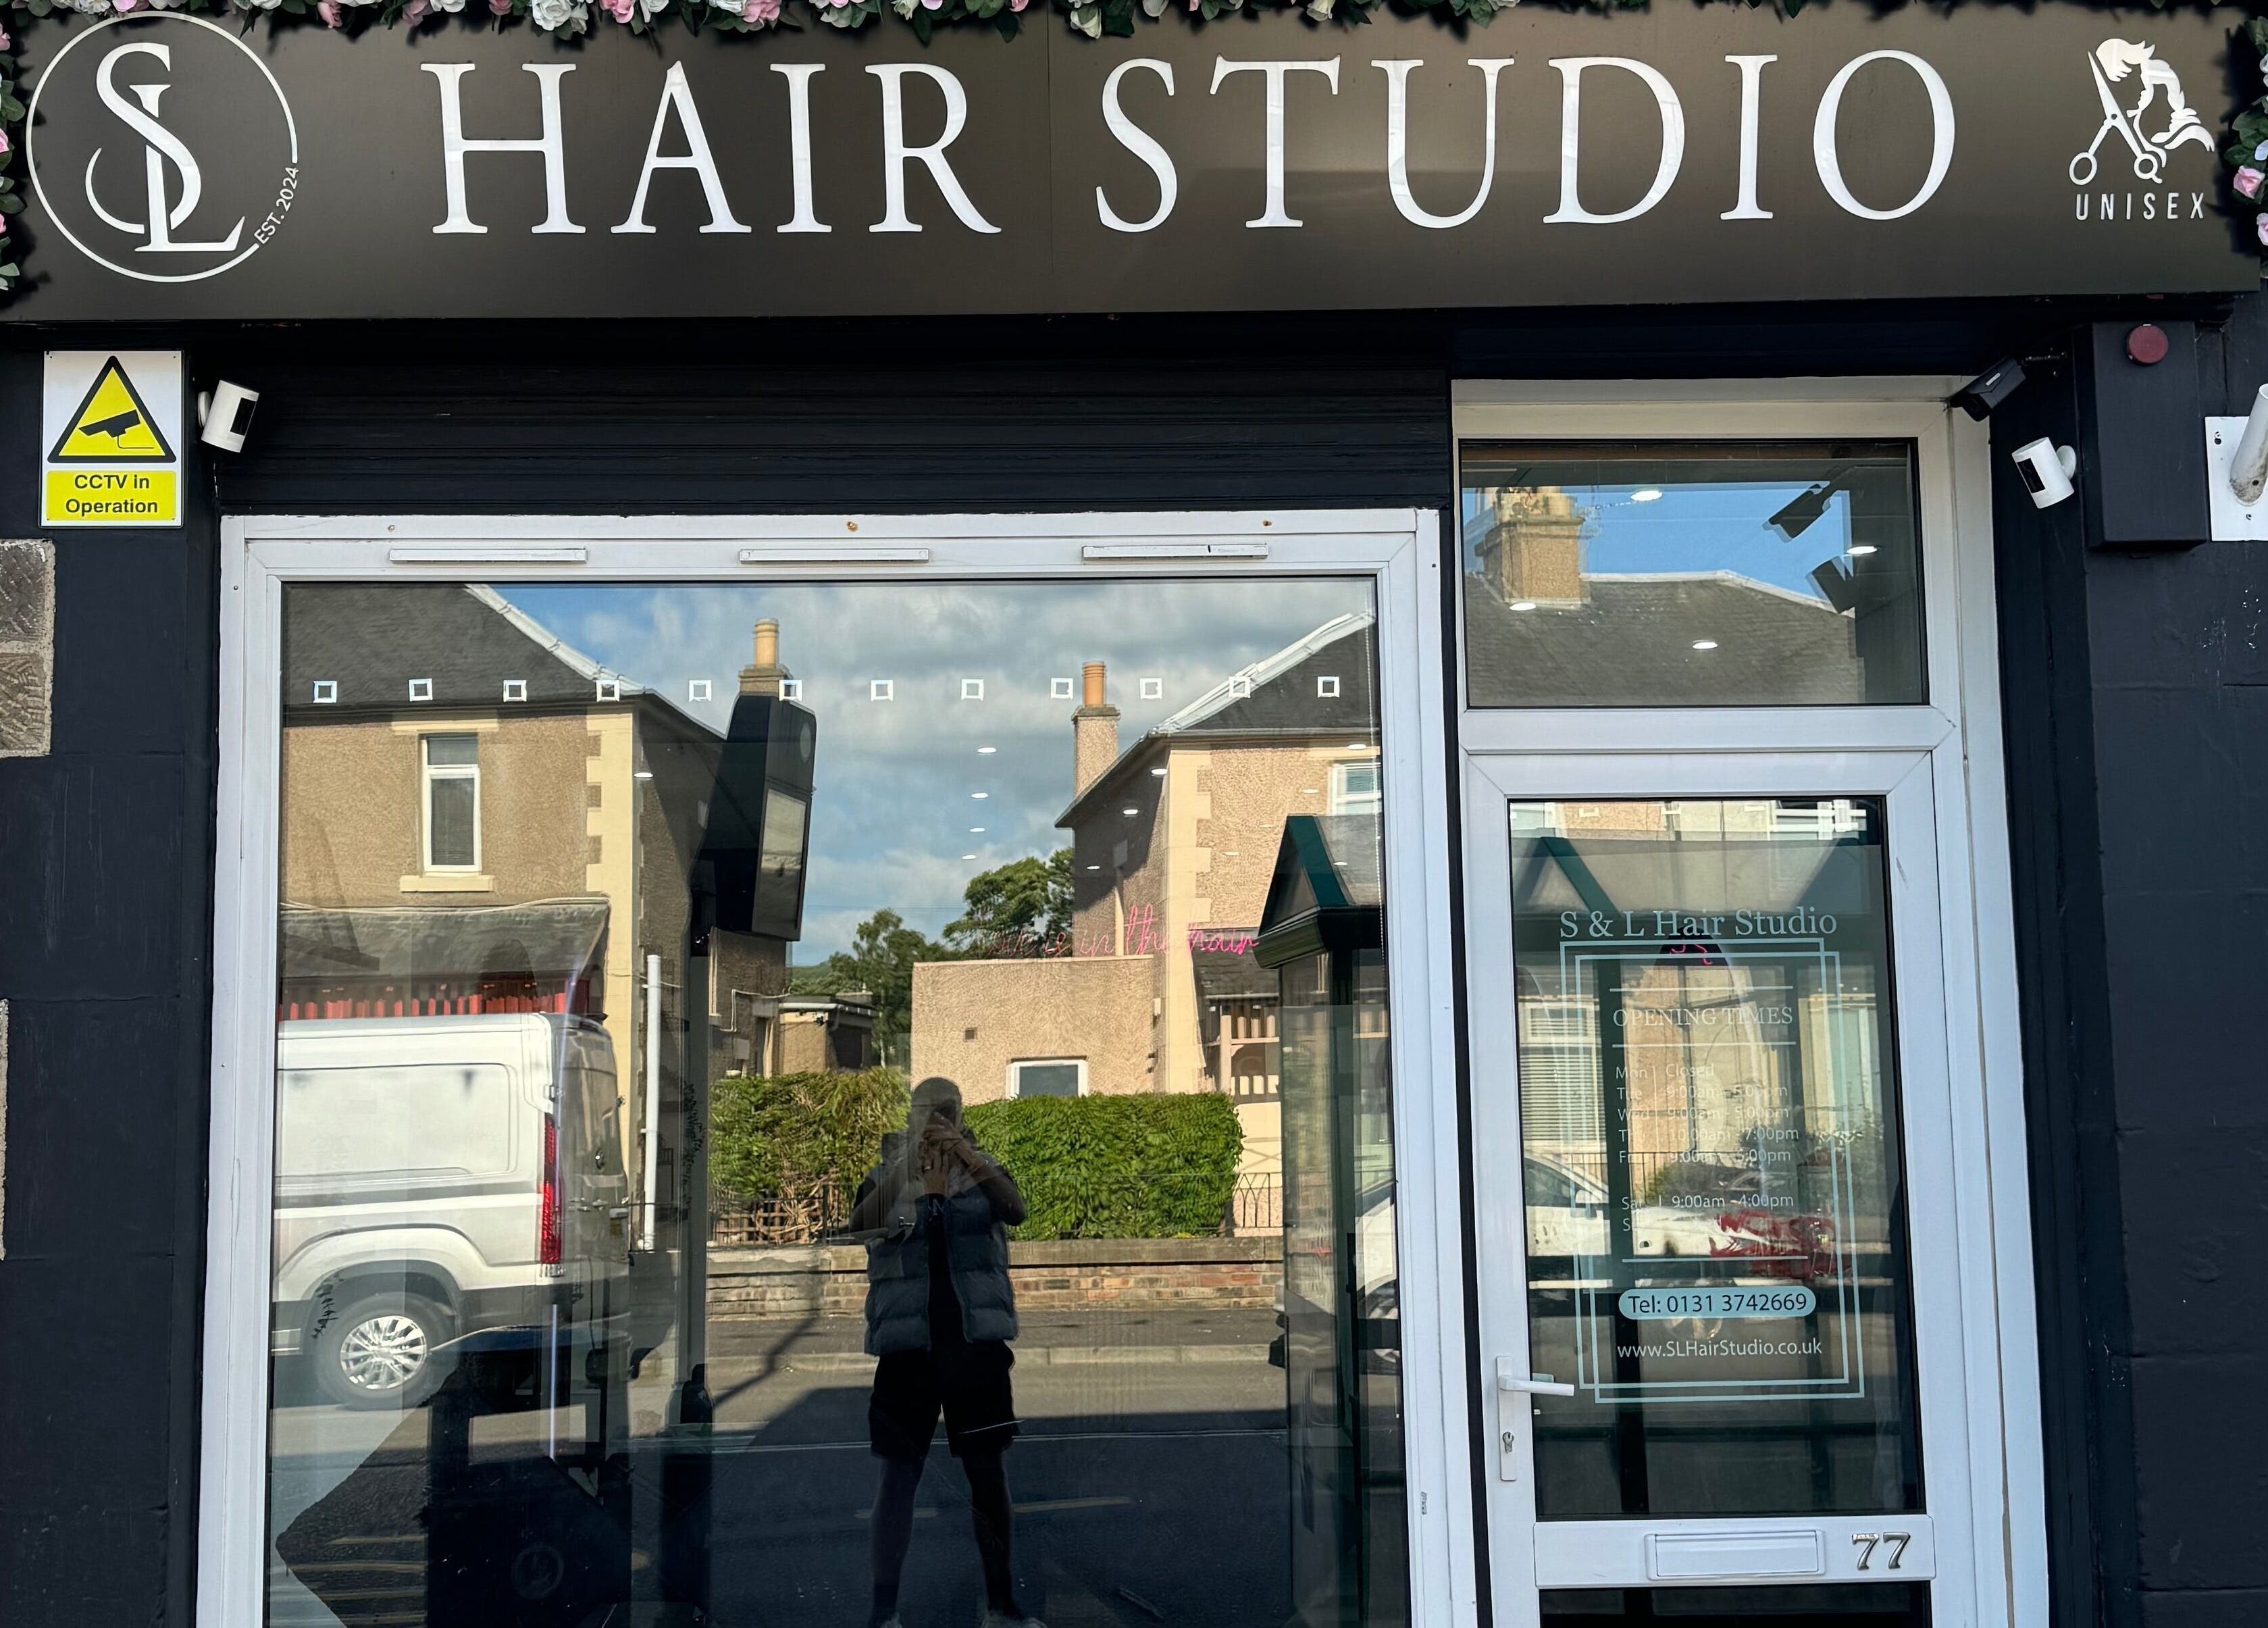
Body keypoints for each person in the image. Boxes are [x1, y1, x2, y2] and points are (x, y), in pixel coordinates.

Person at [848, 1077, 1042, 1628]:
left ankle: (1001, 1607)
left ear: (961, 1115)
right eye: (926, 1112)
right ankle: (883, 1614)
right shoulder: (887, 1172)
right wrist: (910, 1164)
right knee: (898, 1476)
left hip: (973, 1345)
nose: (935, 1120)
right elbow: (860, 1225)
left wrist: (967, 1156)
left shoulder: (983, 1167)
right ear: (909, 1116)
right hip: (909, 1348)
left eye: (946, 1112)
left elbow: (1017, 1210)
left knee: (988, 1474)